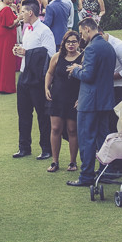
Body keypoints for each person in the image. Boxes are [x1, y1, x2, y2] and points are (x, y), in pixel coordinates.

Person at [66, 18, 115, 188]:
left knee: (86, 139)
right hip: (105, 99)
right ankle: (104, 171)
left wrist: (75, 70)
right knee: (103, 138)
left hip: (90, 102)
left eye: (81, 33)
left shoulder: (92, 48)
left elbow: (88, 76)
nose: (81, 36)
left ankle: (86, 176)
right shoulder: (108, 47)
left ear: (87, 29)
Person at [13, 0, 56, 160]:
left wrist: (27, 52)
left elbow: (50, 54)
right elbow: (28, 52)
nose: (20, 14)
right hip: (24, 74)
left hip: (38, 77)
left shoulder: (45, 31)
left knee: (42, 114)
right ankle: (24, 147)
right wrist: (20, 50)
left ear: (30, 12)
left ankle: (46, 148)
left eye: (22, 11)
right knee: (23, 112)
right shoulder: (27, 30)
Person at [44, 30, 83, 173]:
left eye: (74, 42)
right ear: (64, 43)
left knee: (72, 130)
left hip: (74, 99)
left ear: (78, 43)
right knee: (55, 129)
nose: (71, 45)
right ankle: (55, 161)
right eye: (68, 42)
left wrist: (81, 98)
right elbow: (49, 73)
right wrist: (46, 88)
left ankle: (73, 162)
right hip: (57, 98)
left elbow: (86, 79)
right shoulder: (57, 57)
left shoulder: (83, 58)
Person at [0, 0, 20, 94]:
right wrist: (19, 17)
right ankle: (6, 86)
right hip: (6, 36)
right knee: (6, 59)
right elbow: (10, 24)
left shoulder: (1, 7)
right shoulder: (6, 8)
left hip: (0, 34)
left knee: (1, 58)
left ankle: (0, 84)